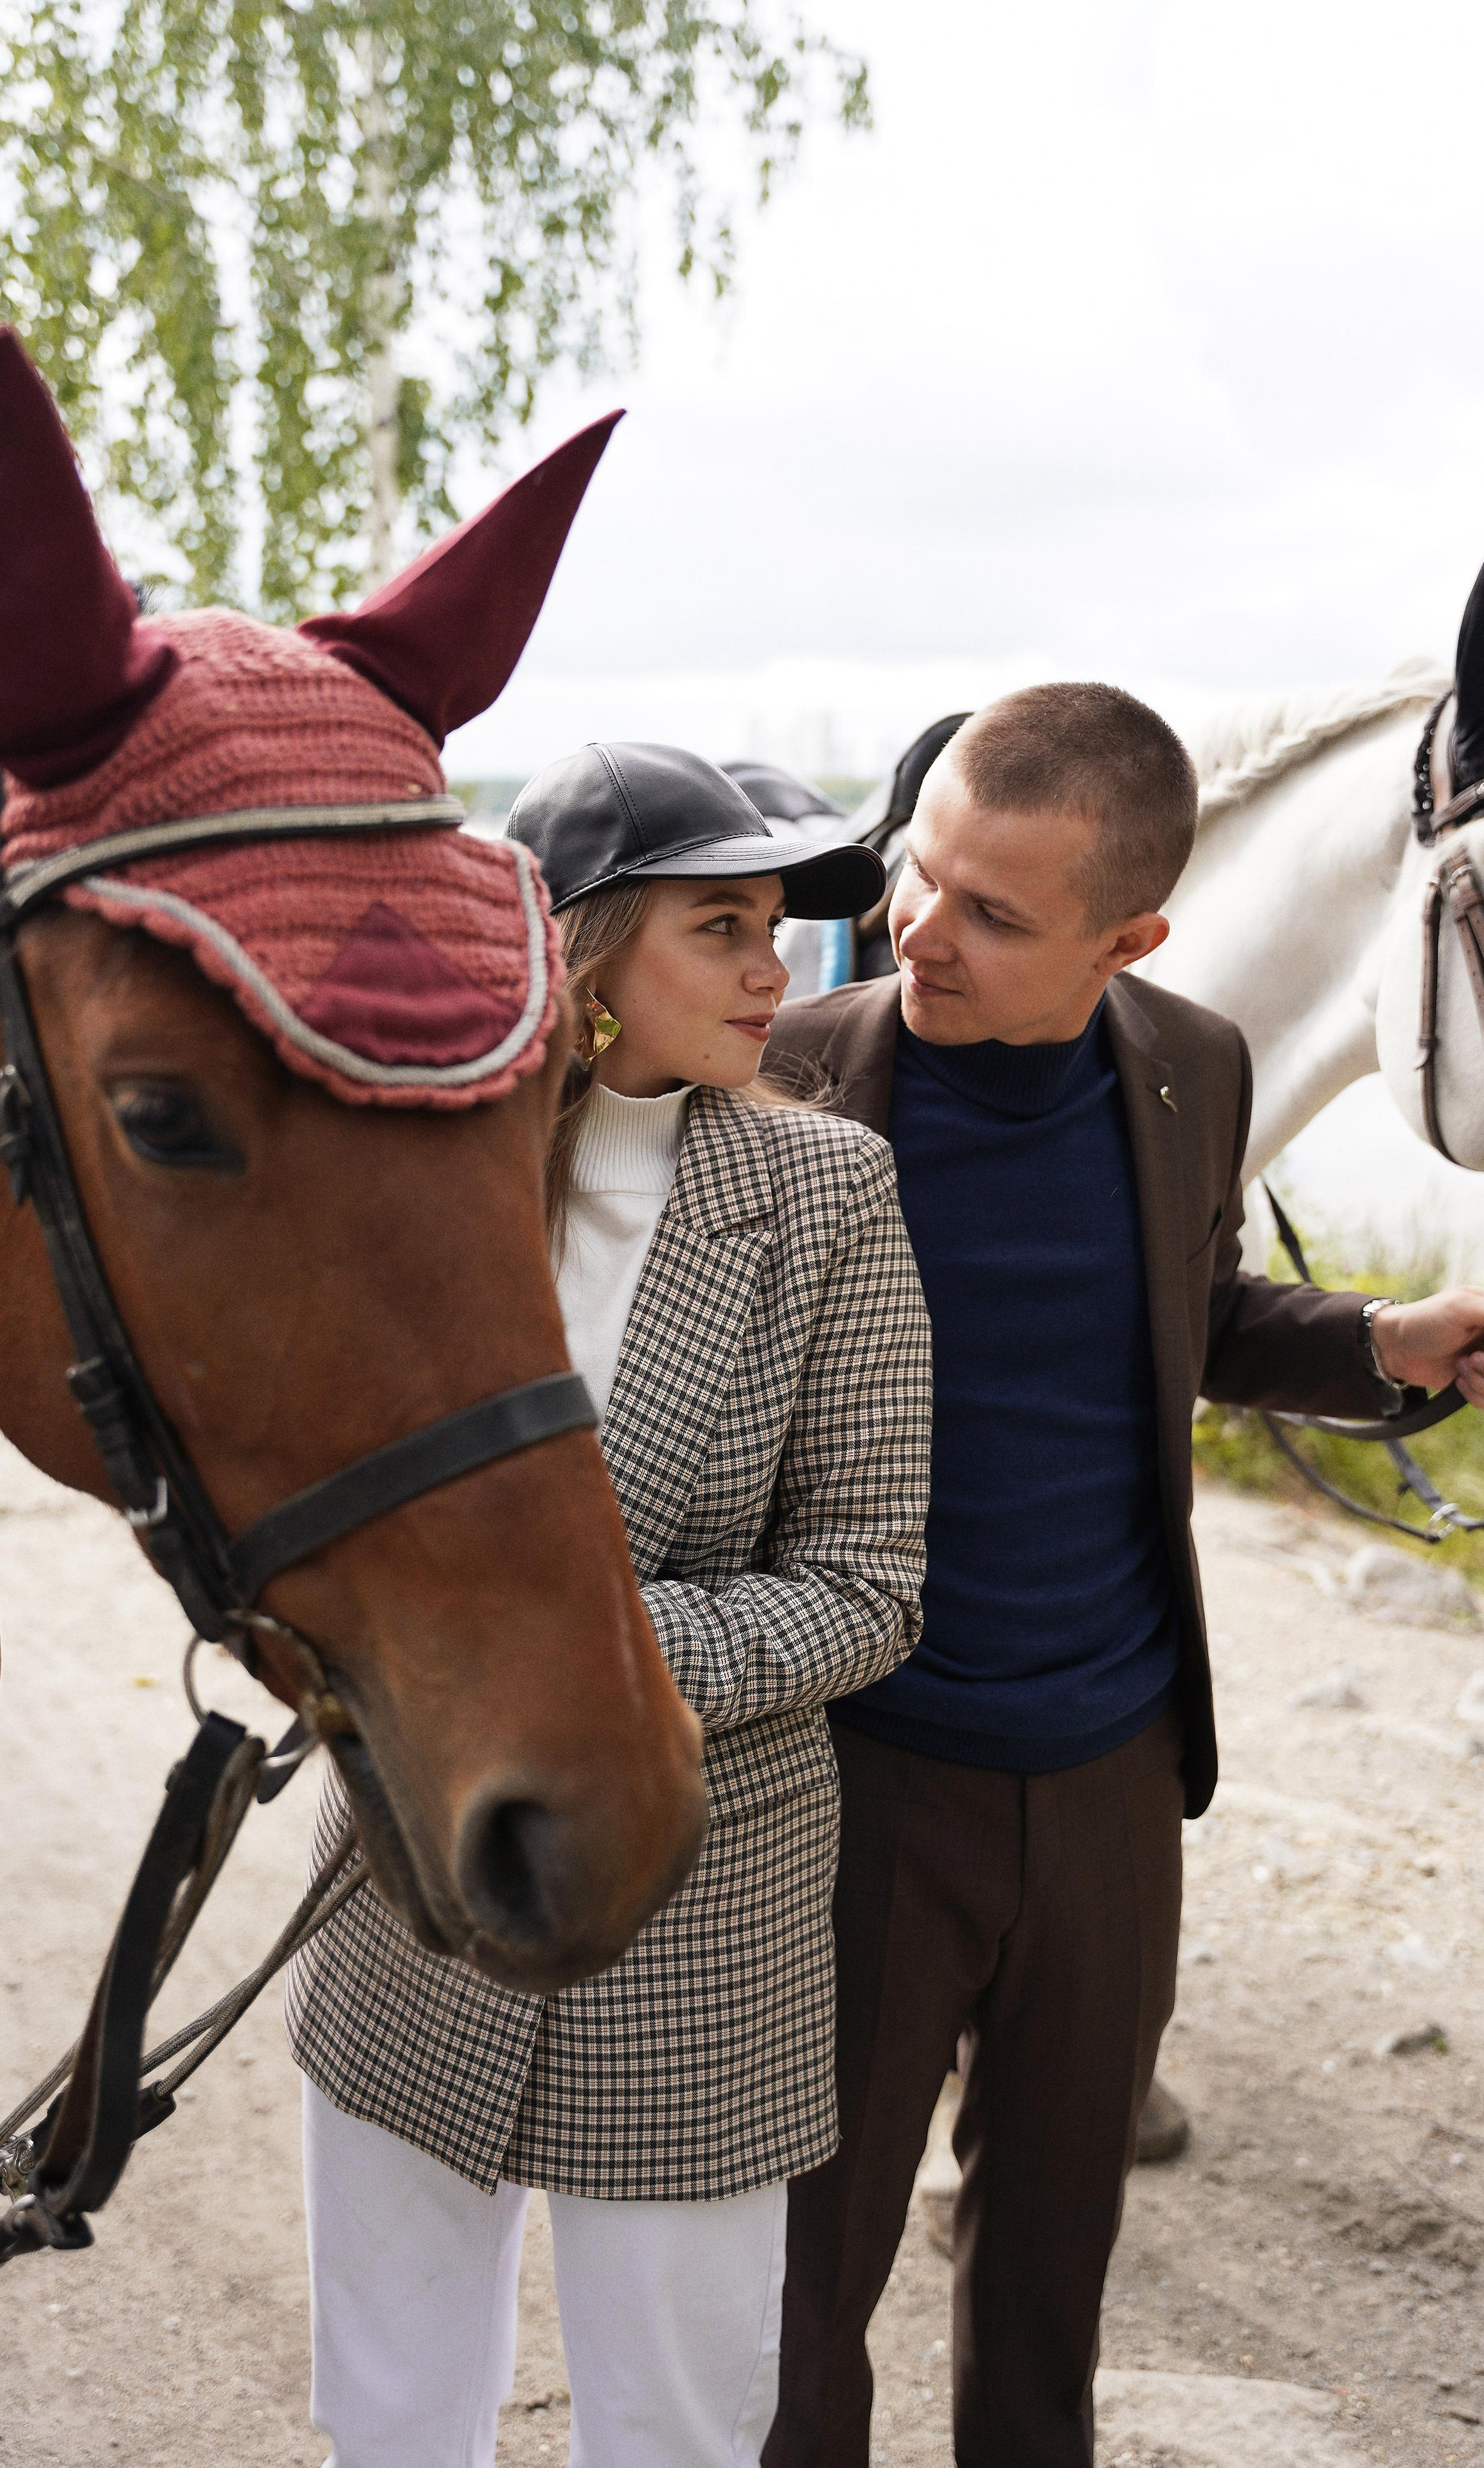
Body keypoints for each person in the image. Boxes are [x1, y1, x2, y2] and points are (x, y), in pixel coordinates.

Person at [758, 683, 1484, 2468]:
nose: (919, 931)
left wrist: (1389, 1337)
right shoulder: (787, 1080)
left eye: (992, 913)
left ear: (1132, 939)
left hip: (1120, 1774)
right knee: (798, 2297)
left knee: (1051, 2285)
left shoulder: (1194, 1064)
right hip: (861, 1780)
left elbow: (1183, 1319)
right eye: (920, 874)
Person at [285, 744, 932, 2468]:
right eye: (719, 929)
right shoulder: (419, 1179)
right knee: (393, 2405)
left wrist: (585, 1659)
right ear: (577, 959)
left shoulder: (829, 1198)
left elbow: (870, 1590)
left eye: (778, 929)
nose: (771, 972)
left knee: (678, 2425)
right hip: (417, 1877)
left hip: (700, 1903)